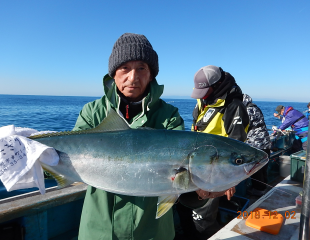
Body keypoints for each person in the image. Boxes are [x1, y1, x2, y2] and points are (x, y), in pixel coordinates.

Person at [72, 33, 224, 240]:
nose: (133, 77)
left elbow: (180, 176)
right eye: (124, 68)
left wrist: (199, 193)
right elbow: (63, 159)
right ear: (113, 73)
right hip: (100, 230)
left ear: (151, 74)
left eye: (141, 68)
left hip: (153, 232)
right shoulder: (93, 113)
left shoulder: (169, 116)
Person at [176, 65, 249, 240]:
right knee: (183, 208)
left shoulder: (234, 107)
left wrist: (230, 181)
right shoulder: (204, 101)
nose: (202, 96)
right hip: (194, 166)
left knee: (203, 219)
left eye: (205, 92)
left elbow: (238, 145)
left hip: (214, 172)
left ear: (217, 85)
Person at [243, 94, 271, 197]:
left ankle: (258, 191)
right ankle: (263, 188)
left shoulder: (247, 110)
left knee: (256, 169)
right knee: (264, 166)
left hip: (256, 143)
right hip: (265, 141)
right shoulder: (255, 107)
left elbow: (244, 126)